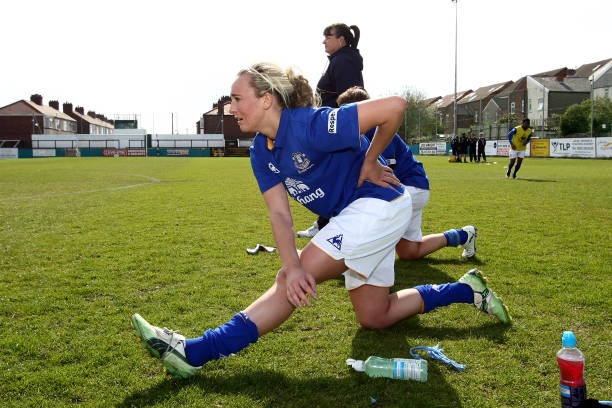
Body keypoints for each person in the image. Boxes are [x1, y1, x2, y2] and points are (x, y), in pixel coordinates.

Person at [131, 63, 511, 379]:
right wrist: (291, 265)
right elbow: (280, 213)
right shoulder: (260, 153)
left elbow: (393, 107)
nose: (231, 108)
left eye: (236, 98)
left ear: (266, 99)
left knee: (291, 281)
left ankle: (194, 352)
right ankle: (467, 290)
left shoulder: (311, 124)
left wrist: (369, 159)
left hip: (379, 206)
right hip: (358, 217)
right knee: (374, 316)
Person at [338, 86, 477, 260]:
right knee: (409, 252)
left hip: (411, 188)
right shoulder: (364, 133)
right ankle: (464, 235)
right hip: (409, 188)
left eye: (345, 113)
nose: (341, 119)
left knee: (367, 214)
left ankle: (349, 259)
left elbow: (382, 177)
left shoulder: (377, 132)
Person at [297, 23, 364, 239]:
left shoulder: (344, 61)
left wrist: (337, 130)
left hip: (337, 131)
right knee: (332, 177)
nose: (323, 41)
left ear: (342, 39)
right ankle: (325, 223)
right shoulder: (339, 60)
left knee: (335, 177)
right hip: (331, 129)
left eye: (328, 36)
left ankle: (330, 224)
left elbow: (350, 100)